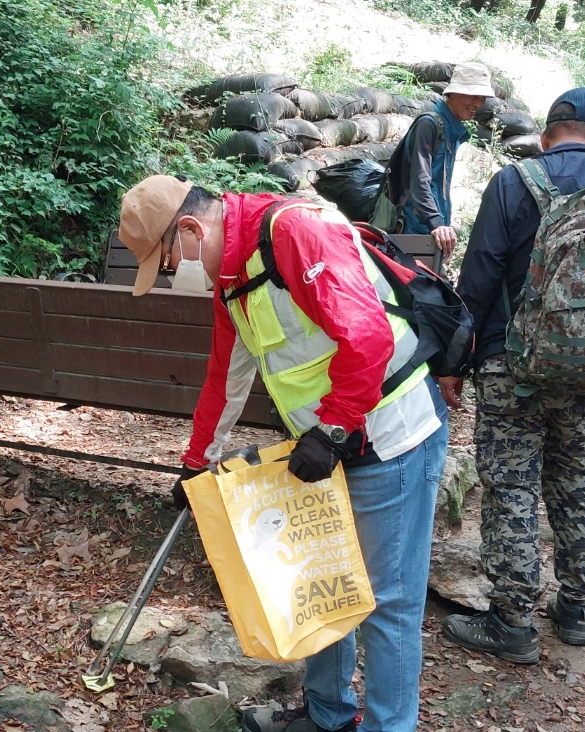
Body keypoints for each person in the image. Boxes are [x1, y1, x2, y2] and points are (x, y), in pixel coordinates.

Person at [118, 175, 449, 732]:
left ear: (192, 230)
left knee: (387, 604)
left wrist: (332, 429)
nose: (176, 275)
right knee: (326, 582)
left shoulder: (297, 231)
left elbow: (368, 336)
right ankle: (328, 715)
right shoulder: (231, 274)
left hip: (391, 435)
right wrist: (196, 463)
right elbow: (226, 375)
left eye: (170, 261)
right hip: (325, 446)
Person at [439, 88, 585, 663]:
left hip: (510, 369)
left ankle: (513, 623)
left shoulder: (513, 185)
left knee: (511, 489)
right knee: (579, 485)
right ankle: (580, 608)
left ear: (547, 133)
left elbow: (479, 281)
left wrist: (454, 364)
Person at [379, 61, 496, 262]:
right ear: (454, 93)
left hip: (431, 232)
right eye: (473, 95)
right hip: (413, 230)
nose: (478, 103)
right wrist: (436, 223)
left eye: (482, 97)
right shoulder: (429, 124)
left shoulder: (451, 130)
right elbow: (419, 181)